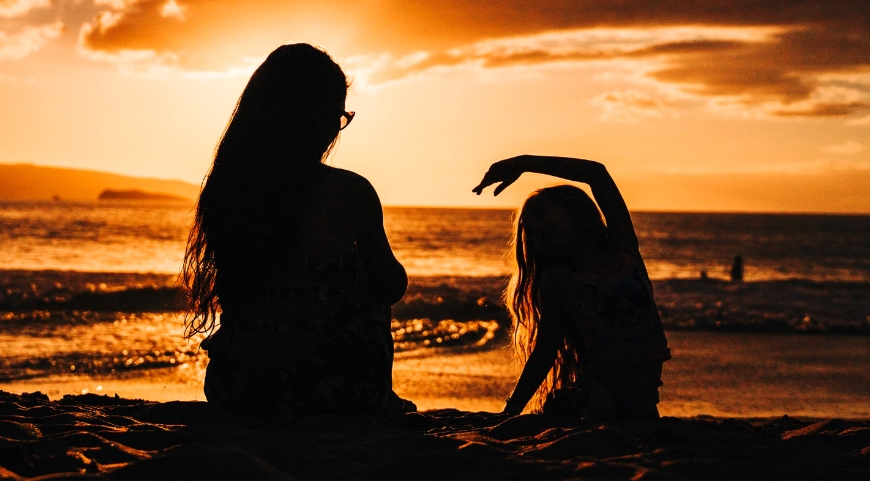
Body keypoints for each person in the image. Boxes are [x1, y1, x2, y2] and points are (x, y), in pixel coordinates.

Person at [181, 44, 413, 420]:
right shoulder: (351, 192)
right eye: (336, 114)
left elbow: (235, 296)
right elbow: (390, 285)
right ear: (315, 117)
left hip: (237, 388)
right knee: (366, 283)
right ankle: (377, 396)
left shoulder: (228, 187)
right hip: (330, 392)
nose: (336, 127)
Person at [473, 155, 670, 420]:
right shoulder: (559, 280)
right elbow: (545, 349)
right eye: (530, 230)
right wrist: (511, 410)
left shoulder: (624, 251)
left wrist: (523, 163)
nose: (538, 227)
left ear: (574, 209)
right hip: (600, 397)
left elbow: (597, 174)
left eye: (541, 214)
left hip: (644, 402)